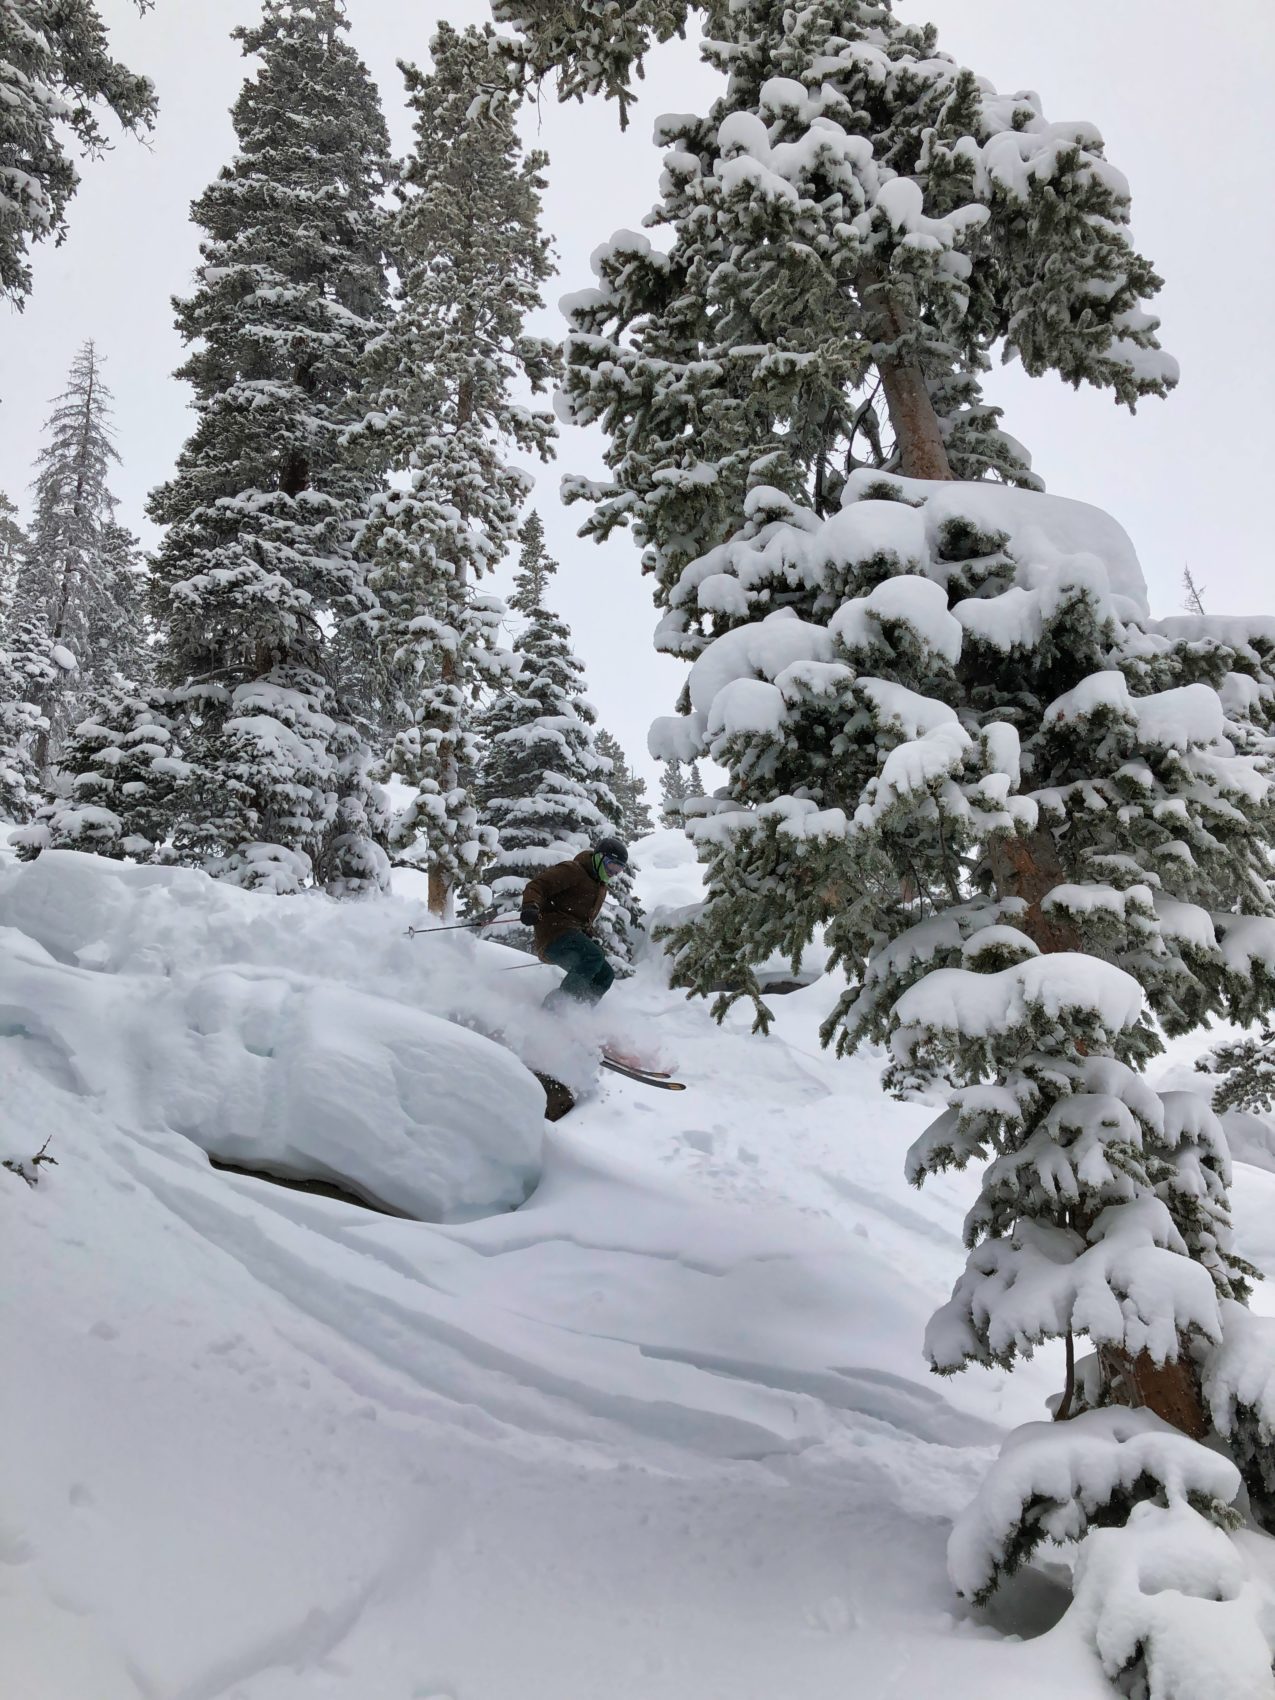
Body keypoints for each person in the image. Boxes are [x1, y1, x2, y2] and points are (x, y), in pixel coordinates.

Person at [520, 836, 628, 1008]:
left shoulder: (600, 887)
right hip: (553, 934)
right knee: (593, 956)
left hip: (570, 935)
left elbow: (583, 920)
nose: (612, 873)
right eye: (611, 865)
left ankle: (579, 1013)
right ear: (599, 857)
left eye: (618, 870)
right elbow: (537, 886)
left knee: (605, 974)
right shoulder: (573, 870)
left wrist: (590, 936)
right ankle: (556, 1008)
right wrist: (530, 906)